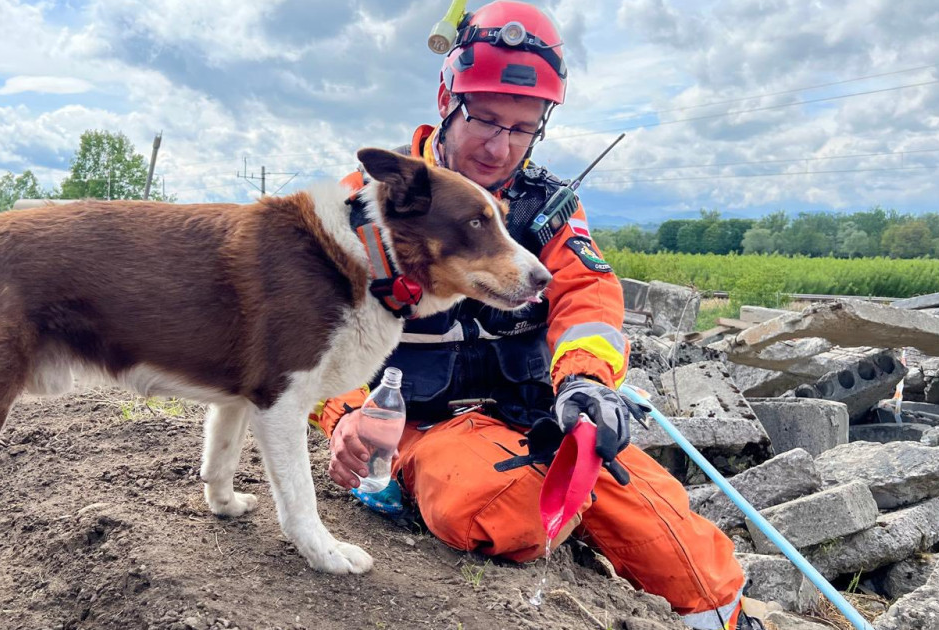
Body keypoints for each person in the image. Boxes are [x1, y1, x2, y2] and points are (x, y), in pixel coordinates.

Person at [311, 3, 763, 629]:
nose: (500, 147)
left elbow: (587, 294)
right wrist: (345, 416)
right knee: (501, 508)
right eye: (486, 120)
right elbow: (309, 335)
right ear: (448, 96)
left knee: (690, 560)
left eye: (523, 128)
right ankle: (440, 494)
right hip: (424, 424)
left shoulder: (546, 207)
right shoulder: (367, 203)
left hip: (539, 414)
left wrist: (584, 383)